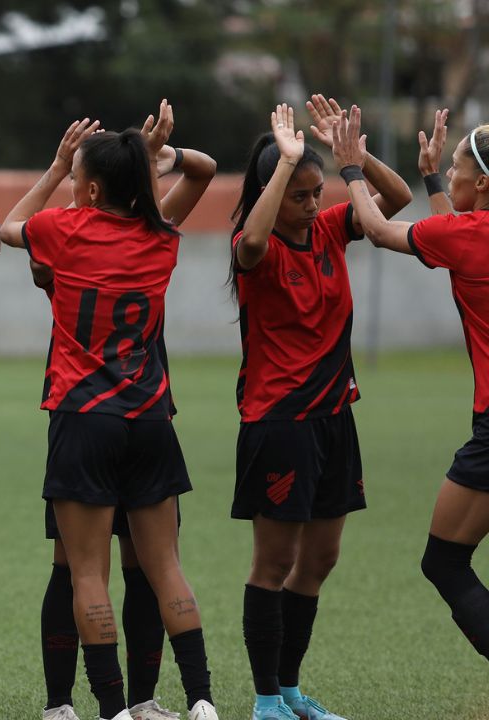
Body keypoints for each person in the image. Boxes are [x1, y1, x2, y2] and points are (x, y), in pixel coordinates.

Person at [0, 110, 219, 720]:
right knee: (165, 567)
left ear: (92, 190)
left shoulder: (65, 231)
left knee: (86, 573)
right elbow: (203, 169)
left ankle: (113, 709)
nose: (71, 186)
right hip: (150, 419)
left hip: (84, 417)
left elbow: (9, 224)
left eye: (76, 178)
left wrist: (66, 166)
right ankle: (202, 700)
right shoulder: (161, 237)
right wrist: (156, 155)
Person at [228, 98, 412, 720]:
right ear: (273, 192)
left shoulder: (332, 227)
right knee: (274, 561)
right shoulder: (254, 249)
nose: (312, 205)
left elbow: (400, 200)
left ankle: (287, 690)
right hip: (279, 422)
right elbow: (252, 237)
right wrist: (282, 163)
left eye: (316, 192)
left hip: (336, 418)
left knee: (321, 559)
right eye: (300, 195)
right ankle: (262, 701)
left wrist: (353, 160)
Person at [333, 104, 489, 665]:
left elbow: (374, 230)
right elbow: (455, 242)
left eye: (456, 168)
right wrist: (427, 178)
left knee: (443, 562)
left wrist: (350, 168)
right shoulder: (472, 235)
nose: (449, 174)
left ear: (484, 182)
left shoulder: (474, 236)